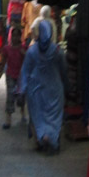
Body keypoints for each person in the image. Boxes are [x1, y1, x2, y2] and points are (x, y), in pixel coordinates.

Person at [20, 19, 68, 154]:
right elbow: (64, 70)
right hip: (54, 91)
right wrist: (68, 86)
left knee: (38, 117)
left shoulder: (31, 52)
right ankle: (52, 140)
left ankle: (41, 140)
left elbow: (25, 72)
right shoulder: (58, 51)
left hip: (36, 91)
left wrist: (22, 90)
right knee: (53, 117)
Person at [0, 26, 26, 129]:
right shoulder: (7, 48)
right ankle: (8, 120)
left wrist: (25, 54)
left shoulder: (23, 48)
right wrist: (0, 71)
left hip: (21, 76)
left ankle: (23, 113)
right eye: (13, 35)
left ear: (20, 36)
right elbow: (3, 60)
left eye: (17, 36)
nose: (15, 38)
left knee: (21, 96)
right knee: (10, 96)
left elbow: (29, 61)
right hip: (10, 74)